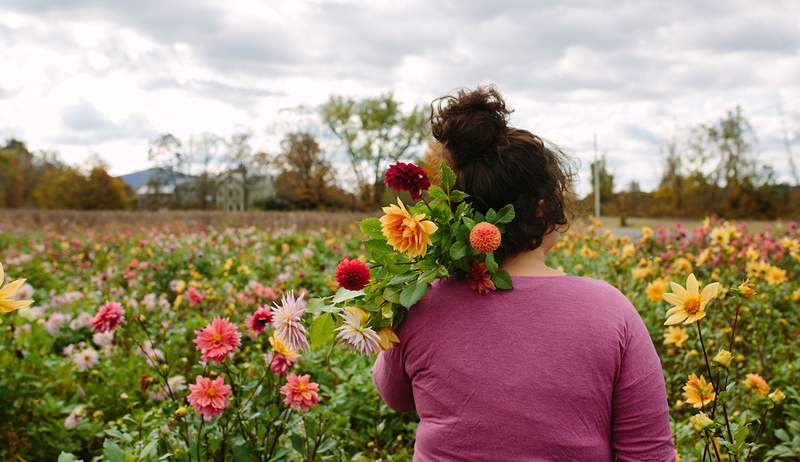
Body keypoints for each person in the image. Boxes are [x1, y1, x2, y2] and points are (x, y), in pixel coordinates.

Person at [372, 86, 675, 461]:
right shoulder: (611, 311)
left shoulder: (420, 303)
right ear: (543, 209)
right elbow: (648, 454)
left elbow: (394, 396)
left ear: (456, 212)